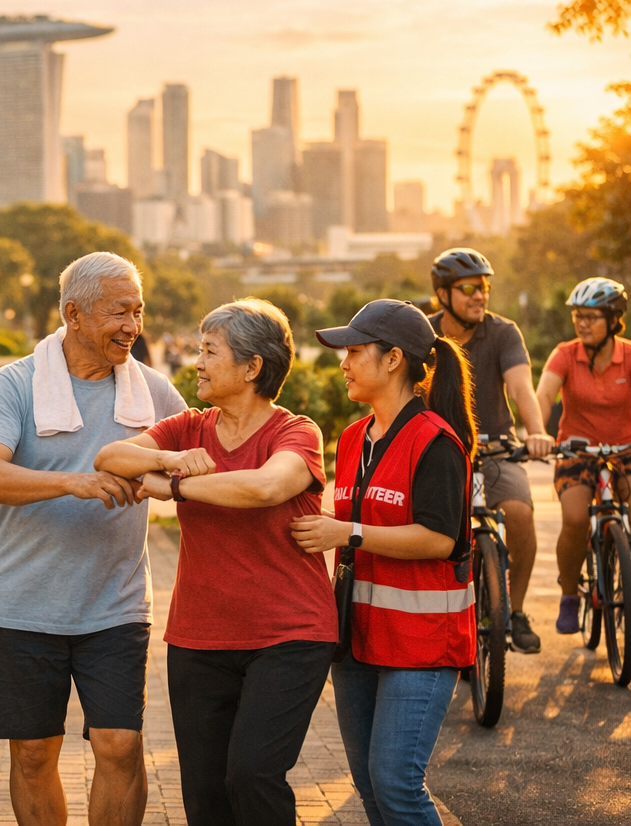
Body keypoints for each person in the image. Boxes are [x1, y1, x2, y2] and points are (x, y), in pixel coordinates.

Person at [95, 298, 333, 826]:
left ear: (252, 367)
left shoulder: (296, 432)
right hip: (199, 638)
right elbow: (109, 458)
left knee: (251, 775)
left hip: (289, 635)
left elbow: (266, 487)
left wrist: (171, 486)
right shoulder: (188, 429)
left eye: (209, 351)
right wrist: (166, 458)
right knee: (204, 796)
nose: (196, 363)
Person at [0, 252, 186, 826]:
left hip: (114, 607)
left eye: (138, 312)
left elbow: (189, 467)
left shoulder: (157, 393)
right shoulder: (13, 384)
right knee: (35, 754)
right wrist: (75, 482)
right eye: (119, 313)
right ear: (74, 314)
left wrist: (158, 482)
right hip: (21, 606)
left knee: (120, 746)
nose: (133, 327)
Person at [291, 299, 476, 826]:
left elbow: (440, 539)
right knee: (372, 789)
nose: (343, 364)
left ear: (393, 359)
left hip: (420, 645)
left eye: (354, 352)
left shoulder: (436, 441)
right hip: (358, 642)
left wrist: (346, 532)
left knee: (397, 786)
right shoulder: (352, 439)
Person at [426, 247, 551, 654]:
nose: (480, 295)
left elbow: (520, 388)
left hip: (497, 447)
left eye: (484, 287)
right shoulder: (424, 335)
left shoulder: (503, 332)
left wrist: (536, 432)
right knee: (429, 530)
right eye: (468, 288)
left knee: (519, 514)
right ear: (443, 295)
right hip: (440, 451)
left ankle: (513, 611)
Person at [535, 277, 631, 632]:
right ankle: (569, 597)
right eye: (578, 316)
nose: (582, 323)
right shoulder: (565, 354)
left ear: (614, 319)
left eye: (592, 316)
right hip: (576, 450)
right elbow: (542, 397)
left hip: (628, 447)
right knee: (574, 518)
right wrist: (537, 432)